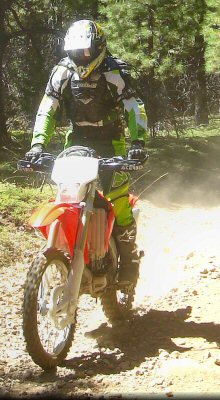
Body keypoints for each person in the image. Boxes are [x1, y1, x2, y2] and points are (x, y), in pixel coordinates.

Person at [24, 19, 149, 285]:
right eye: (75, 52)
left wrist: (138, 143)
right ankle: (69, 250)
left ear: (98, 47)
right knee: (69, 194)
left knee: (117, 196)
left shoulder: (114, 72)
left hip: (111, 141)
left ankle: (129, 261)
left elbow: (133, 106)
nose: (81, 57)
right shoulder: (62, 72)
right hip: (77, 140)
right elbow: (48, 108)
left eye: (85, 51)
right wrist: (37, 145)